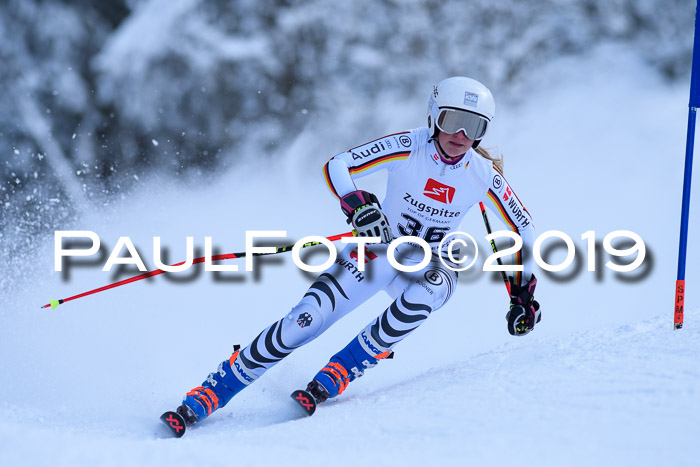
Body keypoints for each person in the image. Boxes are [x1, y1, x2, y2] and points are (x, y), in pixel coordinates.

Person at [174, 76, 541, 425]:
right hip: (379, 250)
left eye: (474, 126)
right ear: (434, 116)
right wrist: (358, 205)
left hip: (432, 262)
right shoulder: (409, 145)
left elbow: (523, 228)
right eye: (453, 120)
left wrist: (523, 292)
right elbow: (337, 166)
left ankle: (343, 369)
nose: (461, 135)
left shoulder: (482, 174)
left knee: (424, 293)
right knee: (303, 322)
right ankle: (212, 392)